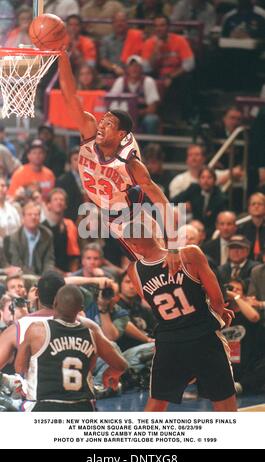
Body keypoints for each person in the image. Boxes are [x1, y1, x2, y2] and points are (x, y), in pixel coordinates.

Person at [58, 50, 180, 272]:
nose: (102, 125)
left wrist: (173, 247)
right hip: (104, 210)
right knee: (135, 274)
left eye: (109, 124)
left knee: (159, 269)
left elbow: (162, 202)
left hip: (132, 211)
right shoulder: (88, 132)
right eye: (103, 121)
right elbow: (70, 96)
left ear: (121, 134)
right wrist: (62, 57)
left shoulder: (130, 164)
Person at [126, 223, 237, 411]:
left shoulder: (133, 270)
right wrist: (216, 320)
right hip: (203, 338)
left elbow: (151, 302)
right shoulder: (190, 254)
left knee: (156, 404)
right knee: (224, 404)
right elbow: (218, 300)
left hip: (169, 343)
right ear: (155, 233)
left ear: (134, 246)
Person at [15, 285, 128, 411]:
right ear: (80, 309)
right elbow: (121, 365)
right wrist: (109, 373)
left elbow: (20, 367)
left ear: (55, 303)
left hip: (45, 405)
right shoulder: (92, 333)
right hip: (82, 406)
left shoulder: (37, 330)